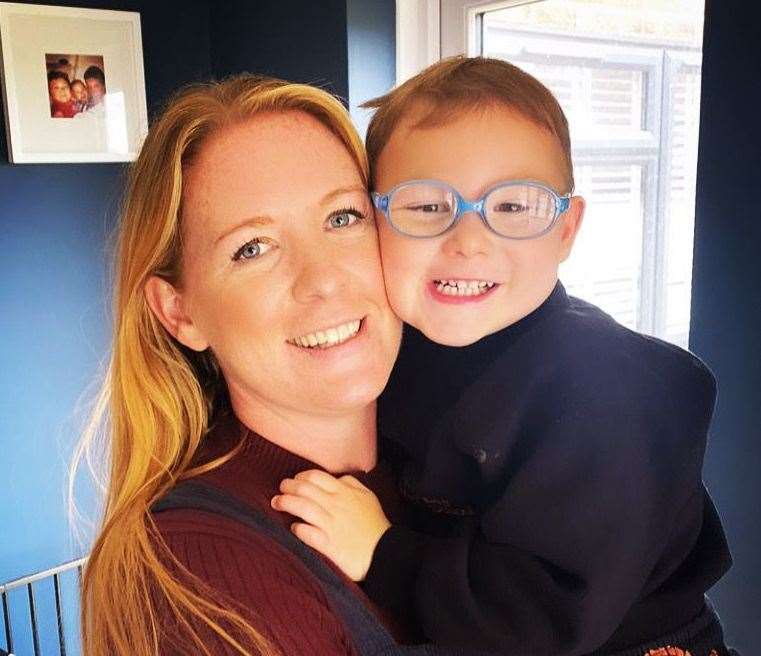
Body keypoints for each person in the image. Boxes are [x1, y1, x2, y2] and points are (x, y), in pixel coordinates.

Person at [275, 56, 734, 656]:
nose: (468, 242)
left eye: (514, 207)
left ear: (566, 229)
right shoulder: (387, 347)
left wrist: (386, 553)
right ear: (372, 220)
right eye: (425, 206)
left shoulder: (613, 396)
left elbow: (547, 618)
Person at [75, 74, 417, 656]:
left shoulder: (453, 459)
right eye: (252, 248)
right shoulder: (201, 564)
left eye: (342, 218)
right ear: (180, 312)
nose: (324, 279)